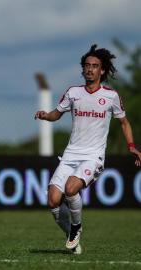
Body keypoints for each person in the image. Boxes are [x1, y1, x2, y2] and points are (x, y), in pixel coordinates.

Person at [35, 44, 141, 254]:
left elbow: (124, 123)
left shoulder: (111, 96)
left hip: (93, 157)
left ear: (102, 70)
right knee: (53, 200)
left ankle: (76, 227)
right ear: (83, 69)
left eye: (95, 66)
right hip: (70, 155)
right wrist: (46, 115)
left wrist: (132, 146)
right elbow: (58, 113)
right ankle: (72, 238)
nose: (90, 69)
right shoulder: (73, 93)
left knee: (71, 189)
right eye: (87, 65)